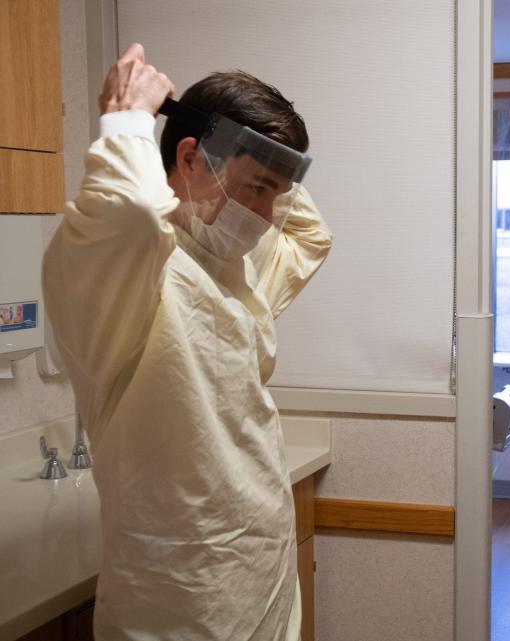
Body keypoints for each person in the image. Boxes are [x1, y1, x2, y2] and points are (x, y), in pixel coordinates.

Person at [42, 43, 332, 640]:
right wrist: (129, 119)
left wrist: (267, 164)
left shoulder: (236, 270)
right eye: (256, 188)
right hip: (180, 603)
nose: (264, 214)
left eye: (276, 193)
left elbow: (311, 236)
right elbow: (128, 214)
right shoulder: (128, 276)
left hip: (265, 585)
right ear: (190, 158)